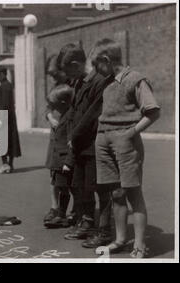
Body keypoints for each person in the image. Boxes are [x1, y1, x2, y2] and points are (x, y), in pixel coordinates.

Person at [93, 38, 160, 258]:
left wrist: (130, 133)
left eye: (97, 65)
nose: (95, 70)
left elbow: (153, 112)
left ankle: (140, 245)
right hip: (104, 139)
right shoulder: (107, 82)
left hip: (125, 141)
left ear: (106, 60)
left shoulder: (136, 79)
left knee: (133, 193)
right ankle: (120, 239)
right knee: (116, 193)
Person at [57, 43, 114, 248]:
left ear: (76, 64)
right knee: (79, 186)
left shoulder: (99, 81)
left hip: (93, 144)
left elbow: (93, 114)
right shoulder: (80, 82)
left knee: (99, 188)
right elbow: (74, 112)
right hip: (80, 144)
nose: (67, 75)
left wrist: (74, 135)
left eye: (68, 70)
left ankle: (105, 231)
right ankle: (88, 223)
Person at [44, 83, 75, 228]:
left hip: (64, 158)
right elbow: (49, 105)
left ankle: (66, 214)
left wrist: (68, 161)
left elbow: (71, 141)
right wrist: (50, 117)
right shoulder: (62, 111)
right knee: (59, 184)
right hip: (58, 155)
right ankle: (58, 212)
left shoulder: (69, 117)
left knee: (67, 187)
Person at [0, 67, 21, 174]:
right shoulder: (8, 85)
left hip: (4, 118)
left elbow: (4, 104)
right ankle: (10, 165)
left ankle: (5, 164)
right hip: (9, 118)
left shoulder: (4, 87)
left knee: (2, 141)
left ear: (2, 74)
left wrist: (0, 119)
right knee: (11, 141)